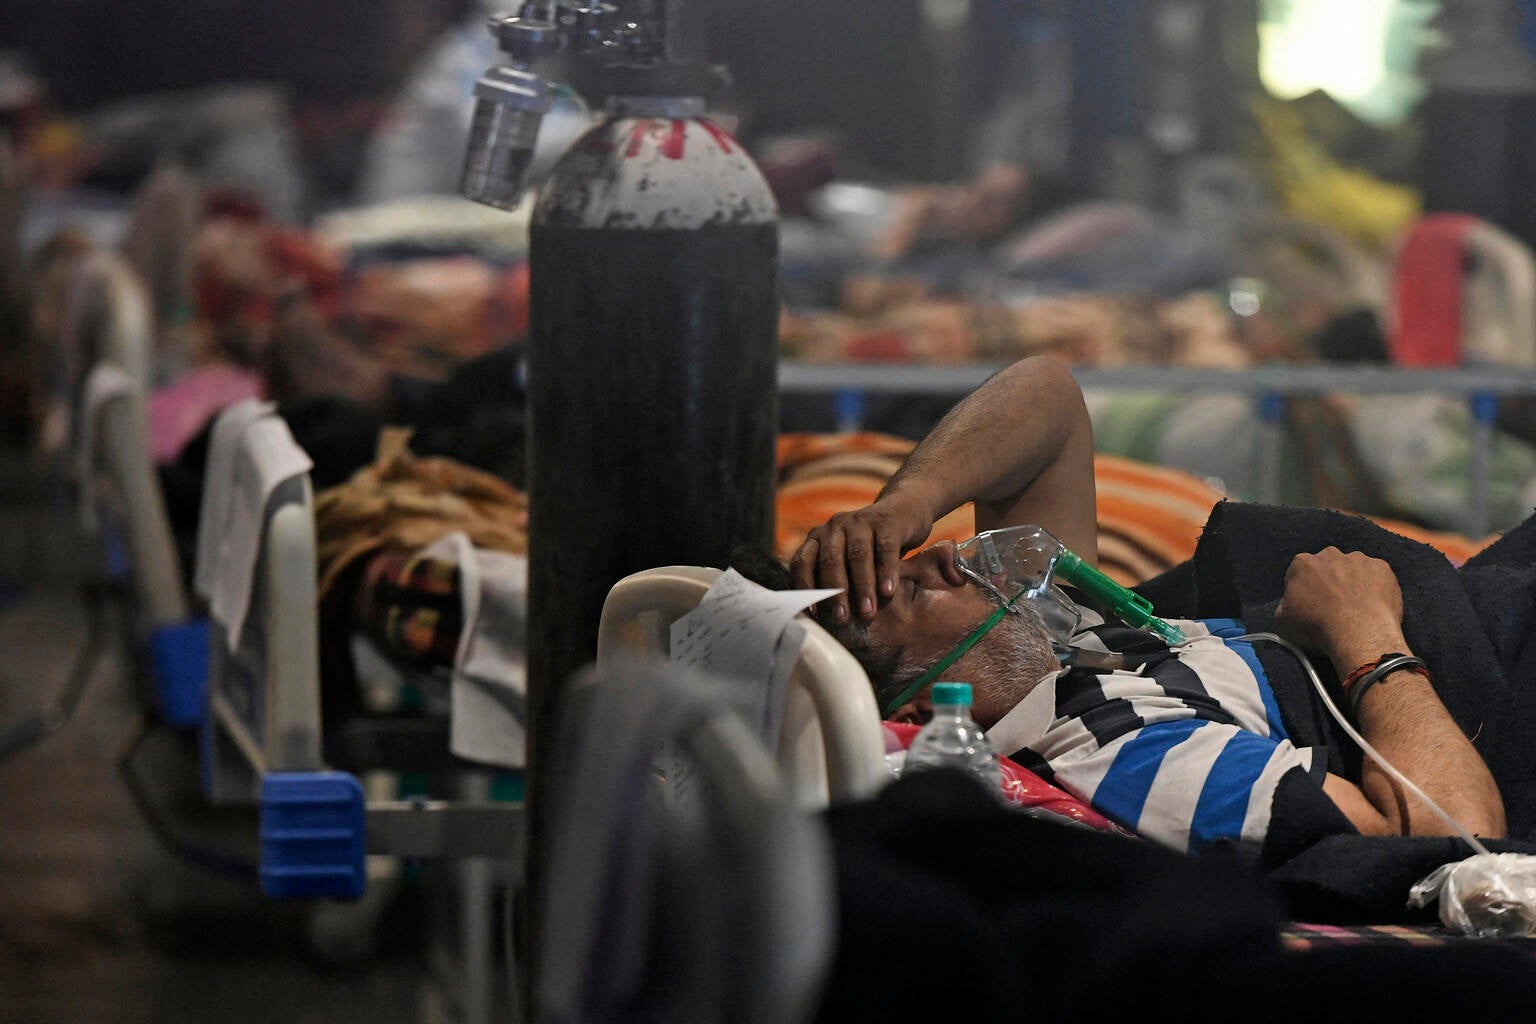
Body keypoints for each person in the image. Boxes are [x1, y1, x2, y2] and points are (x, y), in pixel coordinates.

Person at [790, 355, 1508, 858]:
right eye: (913, 591)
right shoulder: (1125, 753)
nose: (946, 555)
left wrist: (905, 504)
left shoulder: (1064, 638)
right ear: (919, 712)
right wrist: (1364, 632)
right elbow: (1454, 834)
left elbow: (1048, 397)